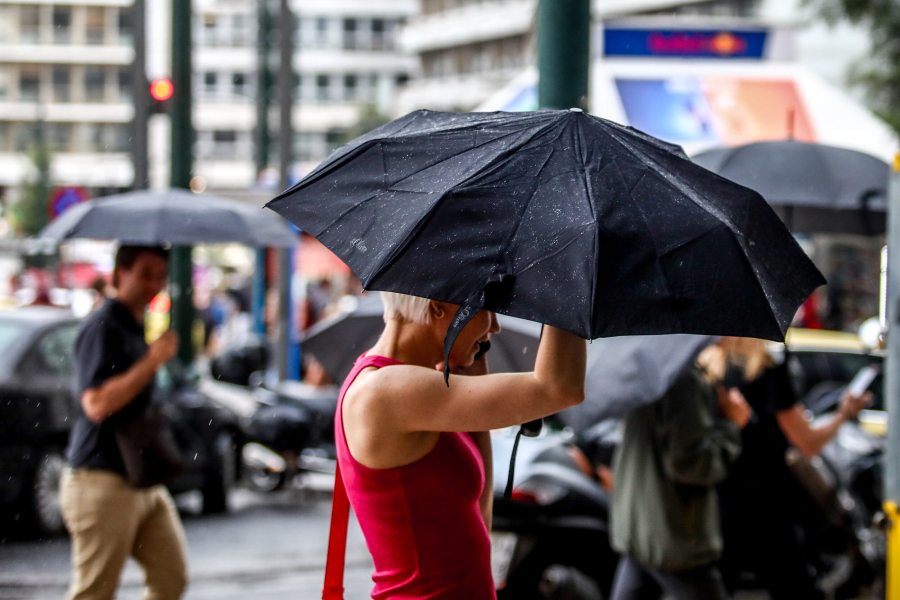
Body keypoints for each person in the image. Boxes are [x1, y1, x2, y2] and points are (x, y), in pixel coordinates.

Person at [338, 292, 586, 599]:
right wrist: (568, 287)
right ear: (438, 307)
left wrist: (476, 368)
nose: (494, 327)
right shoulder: (385, 390)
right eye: (488, 310)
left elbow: (479, 519)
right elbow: (559, 388)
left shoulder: (403, 384)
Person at [60, 245, 187, 600]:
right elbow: (97, 404)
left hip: (140, 476)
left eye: (161, 276)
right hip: (100, 477)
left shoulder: (133, 324)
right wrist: (152, 361)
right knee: (94, 592)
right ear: (120, 273)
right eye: (145, 273)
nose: (154, 284)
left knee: (170, 578)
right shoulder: (102, 326)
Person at [706, 337, 872, 600]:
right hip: (765, 504)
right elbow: (808, 443)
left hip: (719, 502)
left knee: (714, 587)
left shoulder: (708, 373)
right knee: (795, 590)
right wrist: (844, 414)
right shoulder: (767, 370)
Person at [609, 358, 751, 600]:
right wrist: (731, 425)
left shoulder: (648, 371)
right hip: (672, 532)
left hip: (641, 526)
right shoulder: (684, 380)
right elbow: (691, 465)